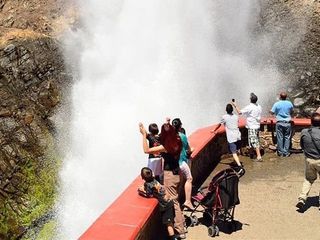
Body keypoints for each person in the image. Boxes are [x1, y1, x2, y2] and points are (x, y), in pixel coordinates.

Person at [139, 122, 186, 239]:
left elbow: (146, 150)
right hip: (177, 172)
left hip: (171, 175)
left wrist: (144, 135)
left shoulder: (166, 146)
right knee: (176, 199)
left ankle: (180, 230)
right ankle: (182, 224)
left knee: (173, 201)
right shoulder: (178, 140)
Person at [138, 167, 177, 240]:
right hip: (170, 202)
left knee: (169, 224)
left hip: (165, 205)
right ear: (152, 174)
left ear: (142, 178)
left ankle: (173, 238)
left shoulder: (147, 184)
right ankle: (172, 235)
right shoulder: (155, 180)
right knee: (170, 222)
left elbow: (148, 194)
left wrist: (141, 191)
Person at [211, 104, 244, 176]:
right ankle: (237, 162)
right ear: (232, 110)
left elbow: (219, 125)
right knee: (236, 150)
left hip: (231, 137)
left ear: (226, 110)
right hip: (238, 135)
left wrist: (214, 130)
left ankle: (239, 166)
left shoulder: (224, 117)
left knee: (233, 152)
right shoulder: (236, 116)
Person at [296, 112, 320, 210]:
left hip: (309, 160)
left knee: (308, 180)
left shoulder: (304, 132)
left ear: (311, 122)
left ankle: (302, 199)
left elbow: (302, 146)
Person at [232, 93, 263, 162]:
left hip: (252, 127)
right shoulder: (259, 106)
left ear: (250, 100)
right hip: (257, 126)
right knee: (252, 140)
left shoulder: (250, 107)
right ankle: (251, 153)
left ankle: (259, 156)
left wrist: (235, 105)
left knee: (254, 141)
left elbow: (239, 112)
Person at [172, 118, 194, 211]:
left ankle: (176, 202)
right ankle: (188, 201)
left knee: (179, 182)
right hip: (182, 162)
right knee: (189, 179)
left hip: (173, 164)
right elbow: (188, 150)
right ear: (180, 126)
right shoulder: (183, 136)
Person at [270, 92, 294, 157]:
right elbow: (292, 111)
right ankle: (286, 152)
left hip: (279, 122)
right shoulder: (289, 103)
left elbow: (272, 112)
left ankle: (280, 153)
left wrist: (272, 111)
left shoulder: (277, 104)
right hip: (287, 123)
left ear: (280, 97)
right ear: (286, 97)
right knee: (287, 137)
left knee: (280, 137)